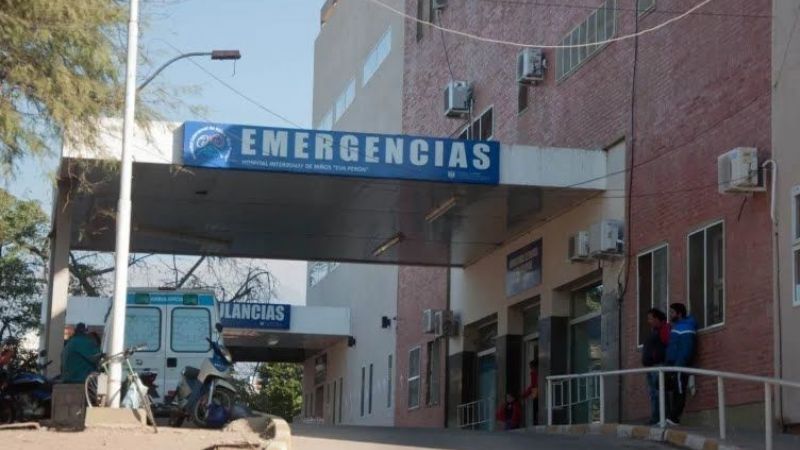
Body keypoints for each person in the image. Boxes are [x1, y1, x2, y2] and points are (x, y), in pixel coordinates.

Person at [664, 303, 697, 425]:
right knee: (672, 389)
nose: (670, 315)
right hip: (673, 365)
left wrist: (679, 365)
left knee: (679, 390)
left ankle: (674, 417)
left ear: (679, 313)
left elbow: (686, 349)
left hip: (679, 365)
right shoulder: (677, 327)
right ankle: (670, 416)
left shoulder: (686, 327)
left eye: (672, 312)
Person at [642, 308, 670, 425]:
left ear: (657, 319)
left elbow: (667, 345)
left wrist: (656, 357)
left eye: (651, 318)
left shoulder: (664, 329)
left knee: (659, 392)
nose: (649, 321)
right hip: (650, 366)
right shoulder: (654, 331)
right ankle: (655, 417)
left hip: (658, 365)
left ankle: (661, 417)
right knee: (653, 393)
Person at [521, 359, 539, 424]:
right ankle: (535, 421)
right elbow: (533, 385)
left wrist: (525, 394)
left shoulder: (534, 373)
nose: (531, 369)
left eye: (531, 367)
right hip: (536, 392)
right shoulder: (534, 373)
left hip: (536, 392)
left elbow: (533, 385)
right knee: (535, 407)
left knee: (536, 407)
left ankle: (536, 421)